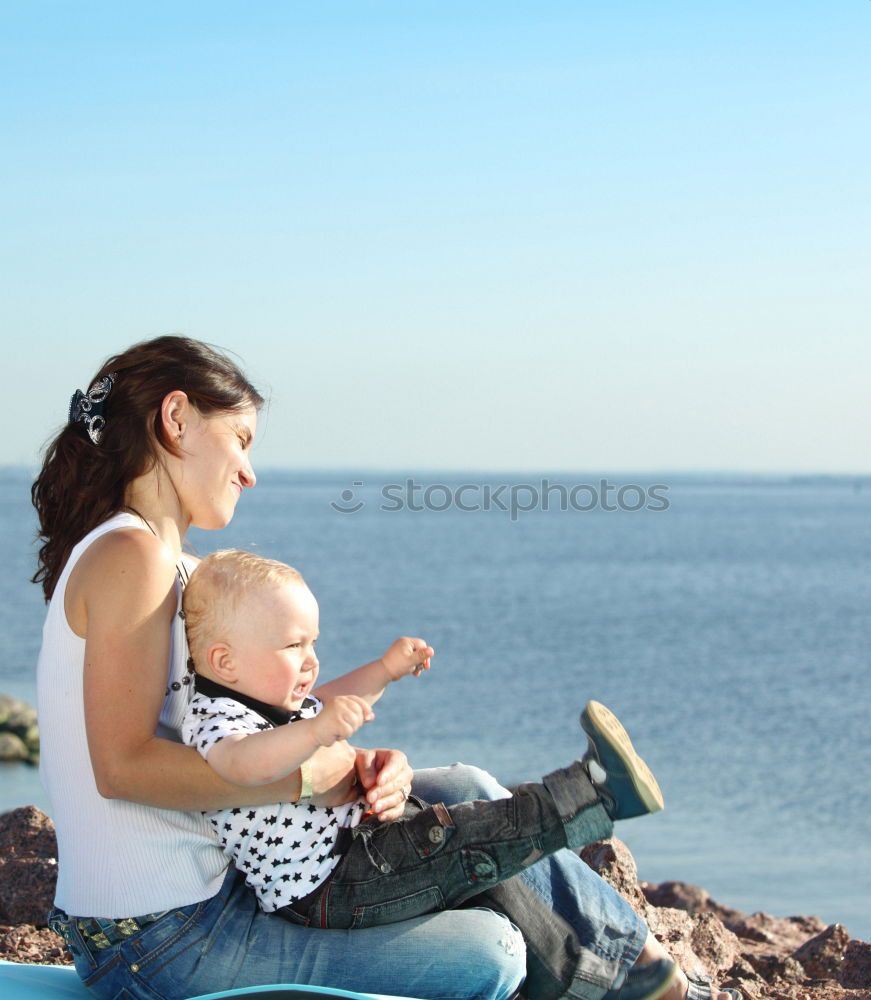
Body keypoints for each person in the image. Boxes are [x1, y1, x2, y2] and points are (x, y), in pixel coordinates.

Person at [32, 334, 739, 1000]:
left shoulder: (177, 567)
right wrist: (314, 775)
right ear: (177, 418)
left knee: (462, 787)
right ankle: (629, 982)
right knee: (490, 952)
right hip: (160, 940)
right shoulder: (132, 558)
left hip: (237, 877)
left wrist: (361, 763)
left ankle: (646, 975)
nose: (250, 469)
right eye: (241, 440)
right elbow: (121, 767)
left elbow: (259, 721)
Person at [180, 548, 667, 934]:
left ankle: (589, 971)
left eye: (314, 642)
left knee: (474, 852)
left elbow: (333, 695)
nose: (311, 660)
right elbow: (241, 767)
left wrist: (386, 670)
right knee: (467, 838)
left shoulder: (271, 697)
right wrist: (314, 732)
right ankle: (593, 793)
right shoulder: (218, 720)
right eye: (293, 645)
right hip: (328, 887)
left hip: (358, 850)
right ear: (225, 663)